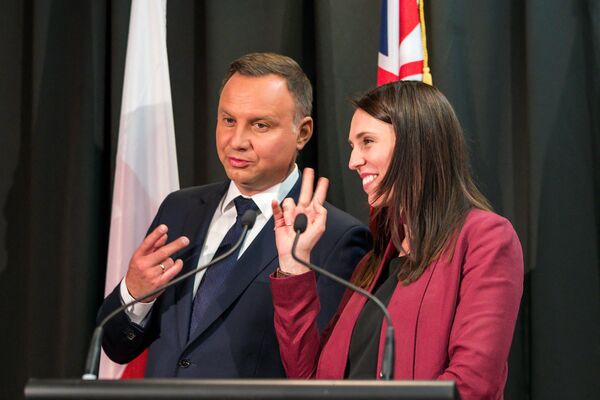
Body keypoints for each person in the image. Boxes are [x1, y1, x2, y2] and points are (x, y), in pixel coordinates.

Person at [97, 52, 371, 378]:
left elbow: (317, 373)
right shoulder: (180, 209)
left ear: (303, 132)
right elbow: (116, 346)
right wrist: (134, 293)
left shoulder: (336, 237)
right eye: (228, 120)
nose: (236, 141)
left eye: (260, 125)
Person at [270, 81, 524, 399]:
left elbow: (472, 386)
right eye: (352, 146)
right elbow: (309, 380)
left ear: (416, 144)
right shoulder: (373, 262)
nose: (353, 161)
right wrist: (294, 265)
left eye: (367, 142)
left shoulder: (486, 239)